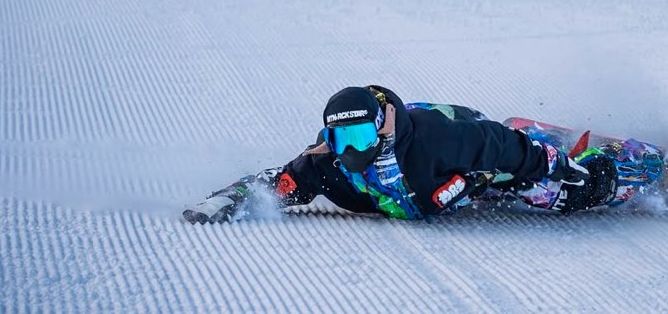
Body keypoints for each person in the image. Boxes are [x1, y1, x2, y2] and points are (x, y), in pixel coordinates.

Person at [183, 85, 621, 223]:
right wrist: (230, 199)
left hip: (458, 136)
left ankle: (615, 171)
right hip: (430, 187)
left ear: (380, 126)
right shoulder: (327, 161)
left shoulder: (434, 139)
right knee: (440, 196)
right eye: (341, 138)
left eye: (361, 136)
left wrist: (551, 162)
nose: (352, 149)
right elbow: (275, 183)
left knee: (544, 191)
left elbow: (492, 142)